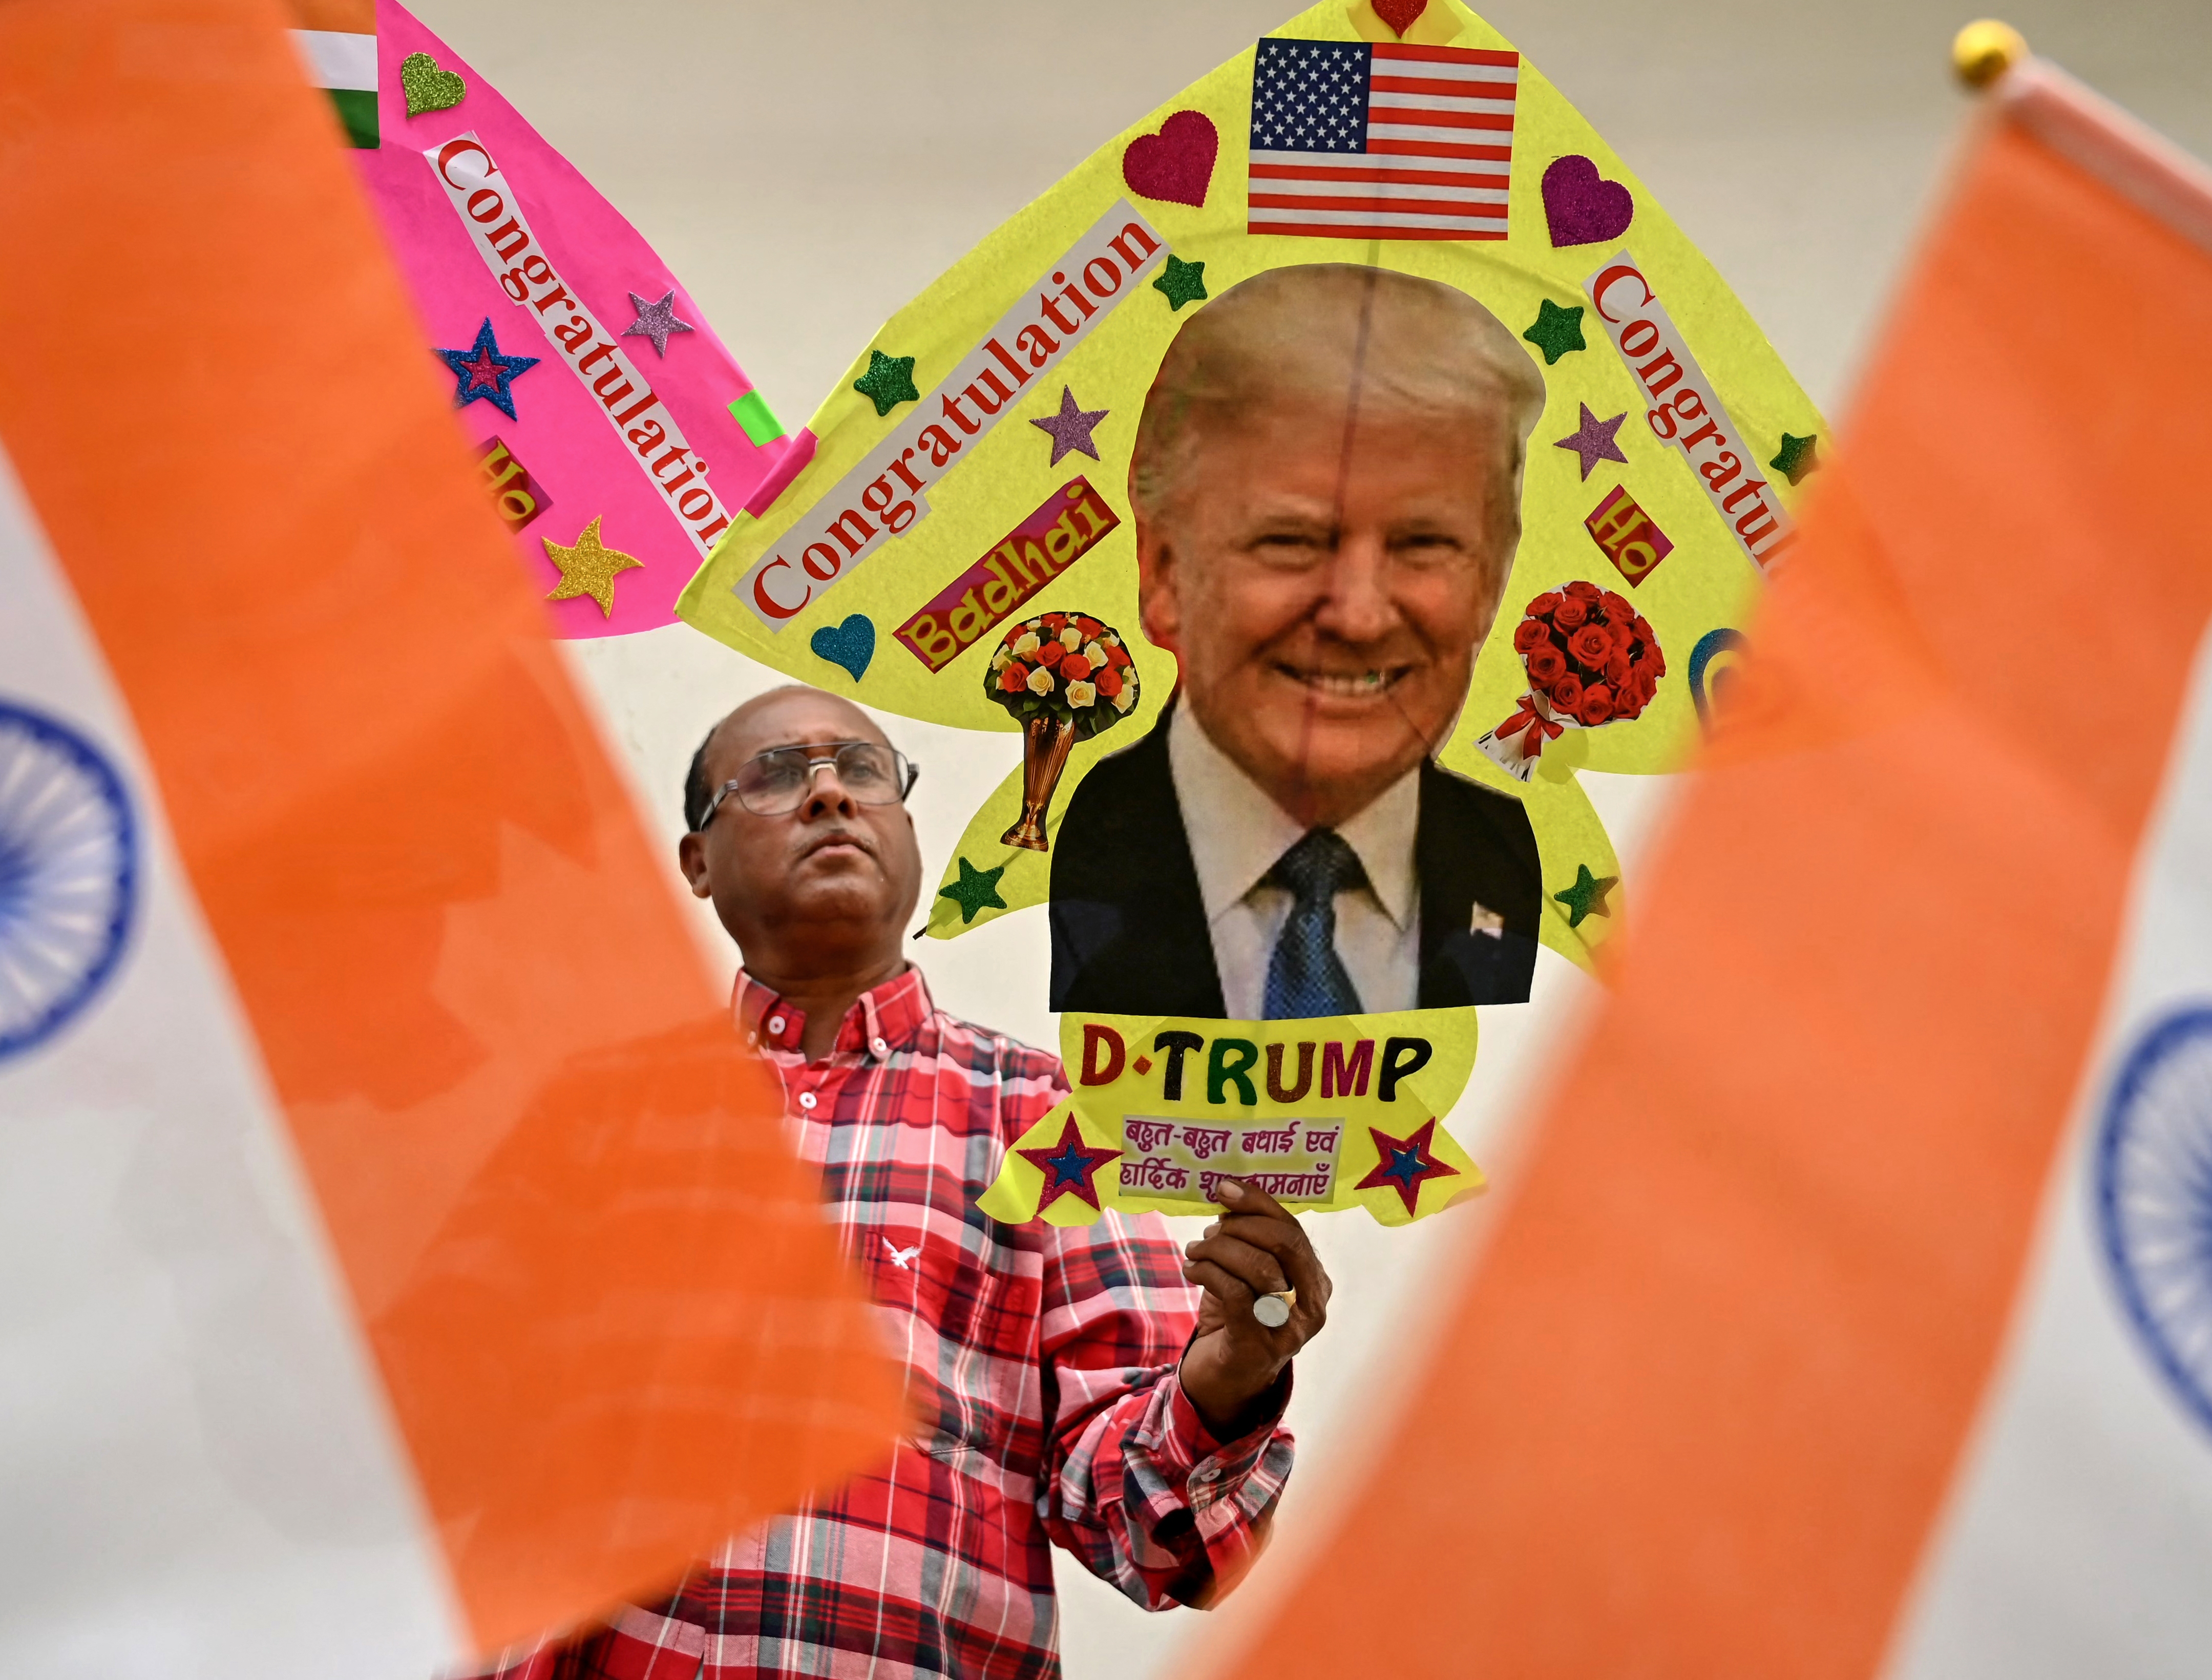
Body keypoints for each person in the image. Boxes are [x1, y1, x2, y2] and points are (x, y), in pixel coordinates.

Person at [480, 684, 1328, 1680]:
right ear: (697, 862)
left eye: (864, 769)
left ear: (909, 834)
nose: (830, 791)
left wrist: (1227, 1375)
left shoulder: (1044, 1120)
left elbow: (1150, 1533)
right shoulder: (578, 1119)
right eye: (775, 775)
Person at [1050, 264, 1549, 1021]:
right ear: (1163, 572)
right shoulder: (1059, 860)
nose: (1358, 615)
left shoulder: (1518, 871)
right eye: (1292, 541)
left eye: (1423, 544)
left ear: (1493, 577)